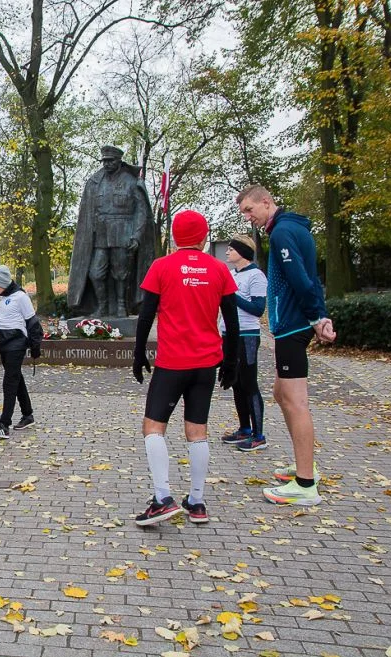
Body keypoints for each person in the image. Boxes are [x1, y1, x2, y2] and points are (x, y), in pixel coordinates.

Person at [131, 210, 239, 526]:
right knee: (197, 431)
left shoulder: (161, 267)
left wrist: (138, 354)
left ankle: (163, 498)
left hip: (171, 363)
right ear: (204, 237)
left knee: (153, 428)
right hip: (206, 365)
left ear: (176, 237)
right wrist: (230, 364)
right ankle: (196, 502)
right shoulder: (219, 269)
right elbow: (232, 323)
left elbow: (146, 314)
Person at [237, 185, 336, 506]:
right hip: (289, 326)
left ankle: (306, 483)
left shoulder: (282, 233)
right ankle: (302, 465)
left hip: (292, 326)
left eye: (250, 210)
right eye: (244, 213)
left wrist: (317, 317)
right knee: (281, 394)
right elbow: (311, 277)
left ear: (266, 202)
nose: (249, 218)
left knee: (295, 401)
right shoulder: (292, 229)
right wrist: (319, 315)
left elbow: (300, 279)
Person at [67, 145, 155, 317]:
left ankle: (122, 305)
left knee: (120, 272)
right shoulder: (95, 181)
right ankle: (103, 306)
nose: (106, 164)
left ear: (119, 161)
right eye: (104, 161)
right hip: (100, 235)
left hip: (123, 233)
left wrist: (136, 236)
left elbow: (141, 211)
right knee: (95, 272)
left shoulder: (131, 181)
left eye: (110, 161)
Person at [218, 235, 269, 452]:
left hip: (247, 334)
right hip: (228, 333)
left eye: (231, 249)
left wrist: (231, 295)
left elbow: (258, 308)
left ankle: (258, 435)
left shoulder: (256, 276)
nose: (227, 252)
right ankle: (244, 429)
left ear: (242, 253)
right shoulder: (230, 275)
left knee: (249, 383)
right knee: (236, 382)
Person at [0, 265, 41, 439]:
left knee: (9, 382)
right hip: (4, 343)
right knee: (16, 378)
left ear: (3, 283)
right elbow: (5, 319)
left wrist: (35, 347)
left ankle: (4, 425)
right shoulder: (4, 298)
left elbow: (32, 323)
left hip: (16, 345)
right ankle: (28, 414)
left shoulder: (21, 297)